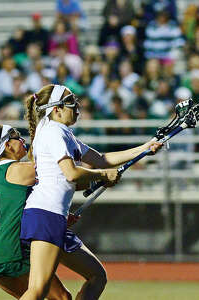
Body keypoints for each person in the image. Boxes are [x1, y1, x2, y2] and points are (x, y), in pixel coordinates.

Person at [19, 84, 163, 300]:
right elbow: (71, 173)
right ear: (56, 109)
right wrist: (104, 176)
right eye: (71, 103)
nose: (77, 107)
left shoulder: (61, 132)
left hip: (52, 216)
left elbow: (101, 159)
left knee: (97, 276)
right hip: (45, 215)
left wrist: (145, 147)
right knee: (38, 290)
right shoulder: (53, 131)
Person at [0, 124, 72, 299]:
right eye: (16, 136)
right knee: (62, 297)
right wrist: (101, 174)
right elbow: (66, 174)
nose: (22, 140)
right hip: (11, 251)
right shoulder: (22, 170)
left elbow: (15, 208)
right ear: (7, 145)